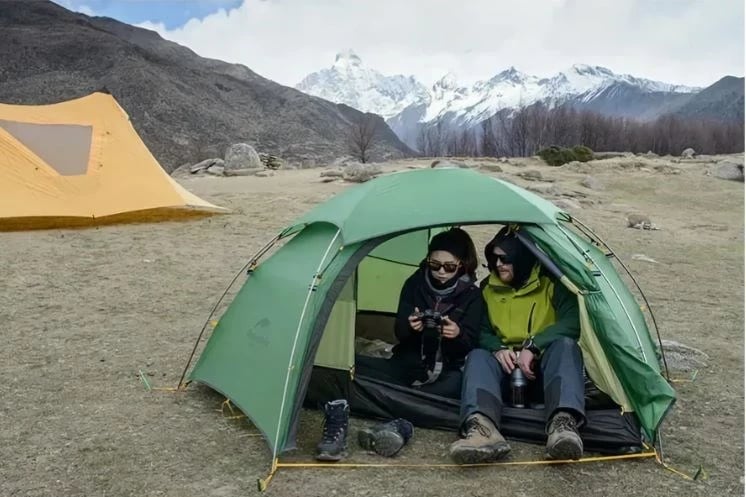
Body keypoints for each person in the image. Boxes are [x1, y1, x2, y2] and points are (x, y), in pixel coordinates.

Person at [449, 227, 585, 463]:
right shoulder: (487, 290)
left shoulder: (552, 284)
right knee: (479, 355)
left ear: (523, 258)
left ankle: (563, 426)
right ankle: (483, 429)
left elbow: (573, 322)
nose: (499, 264)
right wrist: (497, 348)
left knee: (565, 345)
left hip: (543, 374)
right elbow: (480, 330)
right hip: (505, 374)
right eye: (494, 258)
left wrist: (533, 347)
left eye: (506, 258)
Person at [355, 227, 484, 399]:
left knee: (457, 385)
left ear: (461, 264)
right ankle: (412, 397)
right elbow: (399, 333)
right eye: (435, 265)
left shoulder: (472, 296)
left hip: (447, 368)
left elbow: (472, 345)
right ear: (428, 260)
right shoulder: (415, 284)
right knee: (355, 367)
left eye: (449, 267)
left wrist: (457, 334)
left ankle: (402, 396)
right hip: (410, 360)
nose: (441, 272)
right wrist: (411, 327)